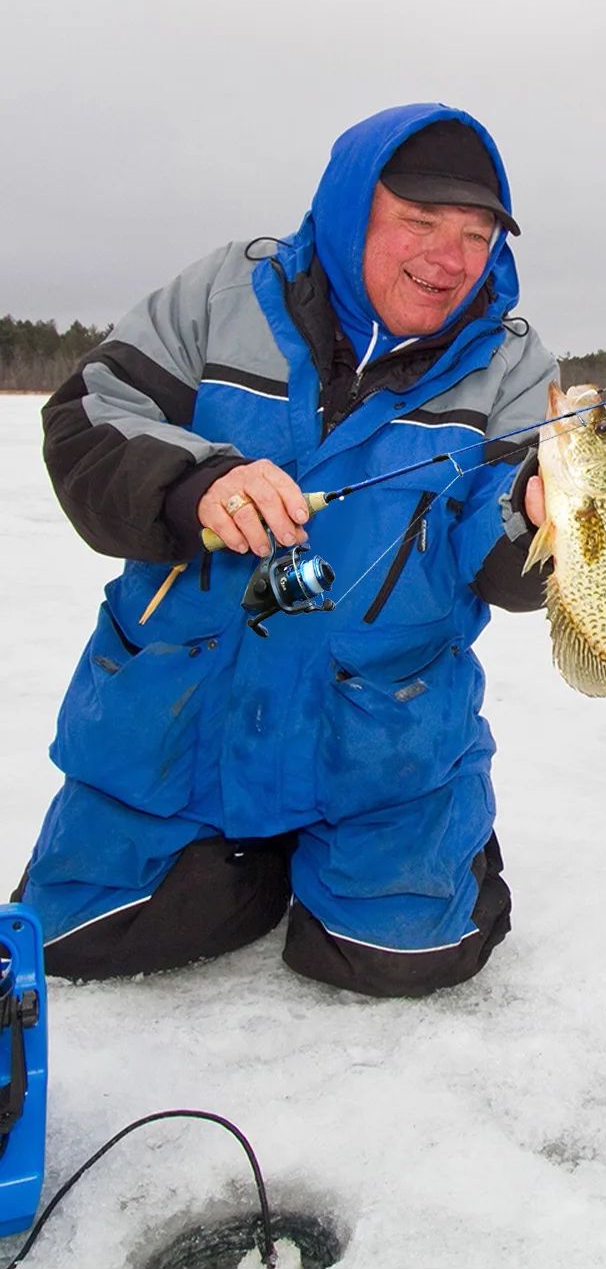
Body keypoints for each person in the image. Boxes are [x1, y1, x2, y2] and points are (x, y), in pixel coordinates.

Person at [11, 103, 560, 996]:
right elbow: (85, 418)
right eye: (419, 221)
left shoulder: (513, 366)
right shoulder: (219, 298)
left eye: (476, 233)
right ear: (353, 210)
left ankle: (422, 838)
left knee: (404, 961)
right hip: (176, 722)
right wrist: (196, 482)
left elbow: (503, 570)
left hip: (381, 740)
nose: (449, 258)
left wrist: (541, 524)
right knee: (77, 941)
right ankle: (248, 855)